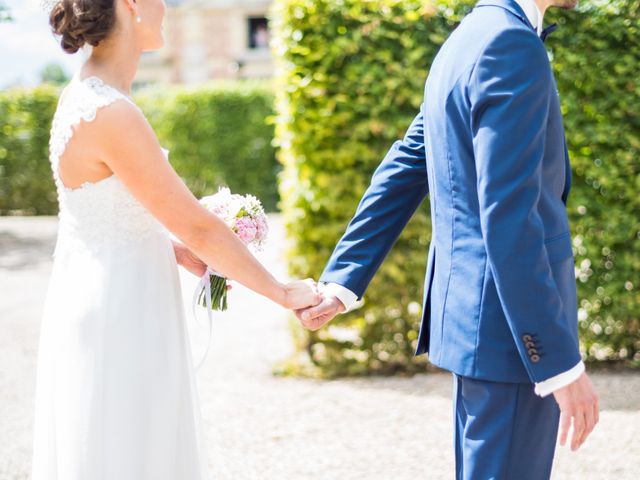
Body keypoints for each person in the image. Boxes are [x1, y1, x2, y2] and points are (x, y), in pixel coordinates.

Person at [298, 0, 599, 478]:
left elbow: (404, 166)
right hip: (511, 334)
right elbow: (509, 217)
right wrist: (558, 364)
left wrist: (342, 281)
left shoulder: (467, 37)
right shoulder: (512, 44)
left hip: (477, 328)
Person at [31, 1, 320, 478]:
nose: (164, 6)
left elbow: (97, 217)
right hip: (122, 311)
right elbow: (198, 225)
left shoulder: (84, 97)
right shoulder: (109, 110)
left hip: (105, 296)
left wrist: (169, 248)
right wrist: (283, 292)